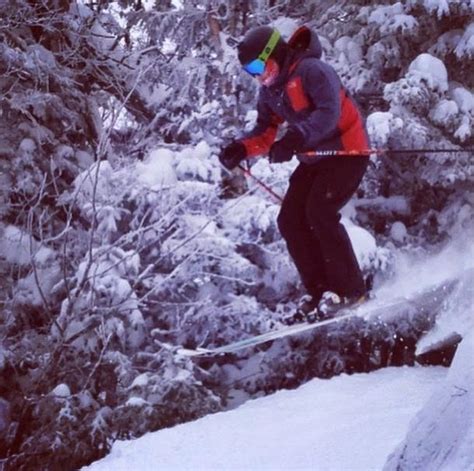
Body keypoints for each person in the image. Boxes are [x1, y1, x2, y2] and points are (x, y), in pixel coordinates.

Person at [219, 25, 370, 320]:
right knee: (289, 219)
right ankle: (319, 292)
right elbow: (265, 131)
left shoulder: (313, 71)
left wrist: (296, 138)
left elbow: (329, 114)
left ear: (274, 54)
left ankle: (352, 290)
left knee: (319, 213)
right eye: (250, 71)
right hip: (314, 159)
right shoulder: (270, 92)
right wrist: (241, 148)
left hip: (346, 152)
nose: (257, 76)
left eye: (258, 66)